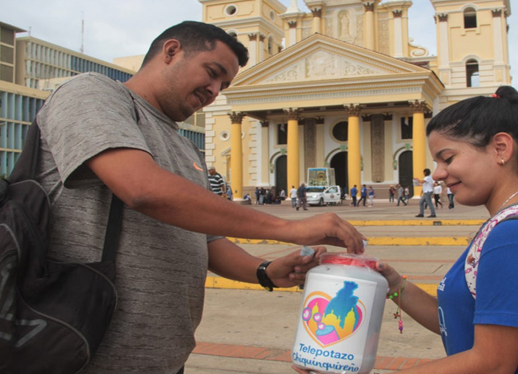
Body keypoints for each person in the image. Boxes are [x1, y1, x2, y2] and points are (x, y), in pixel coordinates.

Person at [32, 21, 365, 374]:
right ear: (171, 51)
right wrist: (290, 228)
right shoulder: (91, 93)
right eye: (212, 73)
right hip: (80, 352)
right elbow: (142, 189)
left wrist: (265, 271)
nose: (215, 91)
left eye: (224, 84)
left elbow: (206, 240)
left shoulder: (185, 146)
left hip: (162, 358)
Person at [334, 86, 518, 373]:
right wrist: (395, 285)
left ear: (500, 148)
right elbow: (461, 321)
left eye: (447, 158)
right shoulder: (516, 222)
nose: (437, 173)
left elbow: (492, 363)